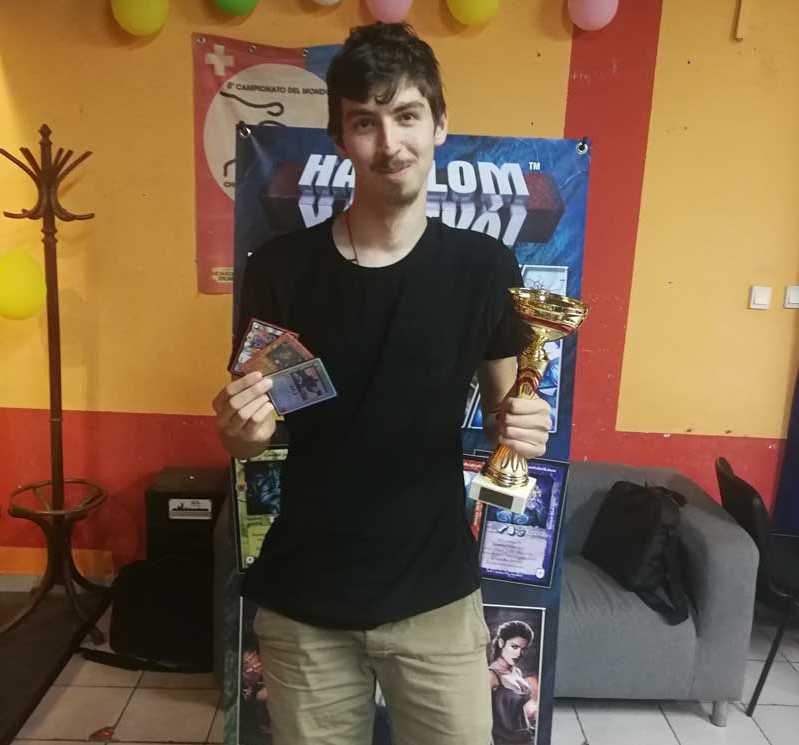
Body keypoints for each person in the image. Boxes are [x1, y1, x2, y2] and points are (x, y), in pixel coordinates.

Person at [212, 22, 552, 745]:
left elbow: (507, 410)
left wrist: (526, 427)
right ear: (340, 137)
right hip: (306, 598)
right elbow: (254, 434)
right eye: (365, 121)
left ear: (440, 124)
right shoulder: (280, 269)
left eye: (406, 115)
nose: (390, 142)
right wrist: (240, 430)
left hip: (436, 595)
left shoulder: (483, 268)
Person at [488, 620, 538, 744]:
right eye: (514, 647)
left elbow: (521, 711)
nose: (519, 653)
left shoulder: (517, 671)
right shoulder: (491, 675)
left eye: (523, 649)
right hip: (503, 740)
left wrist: (530, 730)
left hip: (524, 736)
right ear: (501, 643)